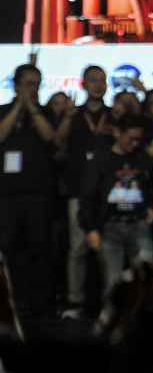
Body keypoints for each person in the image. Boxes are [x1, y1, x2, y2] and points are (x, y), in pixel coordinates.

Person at [54, 65, 113, 319]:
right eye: (93, 80)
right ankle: (75, 301)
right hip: (78, 189)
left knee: (108, 248)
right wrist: (67, 116)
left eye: (102, 80)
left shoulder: (113, 115)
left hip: (108, 192)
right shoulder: (73, 114)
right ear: (83, 84)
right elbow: (57, 141)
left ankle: (109, 301)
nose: (98, 85)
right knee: (77, 248)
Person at [78, 113, 153, 295]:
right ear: (117, 133)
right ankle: (116, 322)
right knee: (113, 285)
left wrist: (151, 205)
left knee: (146, 282)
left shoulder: (143, 158)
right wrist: (91, 228)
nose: (135, 144)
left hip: (138, 224)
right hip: (110, 227)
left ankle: (143, 322)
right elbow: (87, 197)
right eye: (131, 139)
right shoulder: (100, 161)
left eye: (138, 139)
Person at [0, 64, 56, 319]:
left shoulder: (44, 112)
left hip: (38, 195)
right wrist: (17, 108)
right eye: (29, 84)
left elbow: (49, 137)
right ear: (16, 85)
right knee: (4, 253)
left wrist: (31, 108)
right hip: (6, 196)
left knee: (40, 253)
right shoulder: (3, 111)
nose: (33, 89)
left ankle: (41, 310)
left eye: (37, 84)